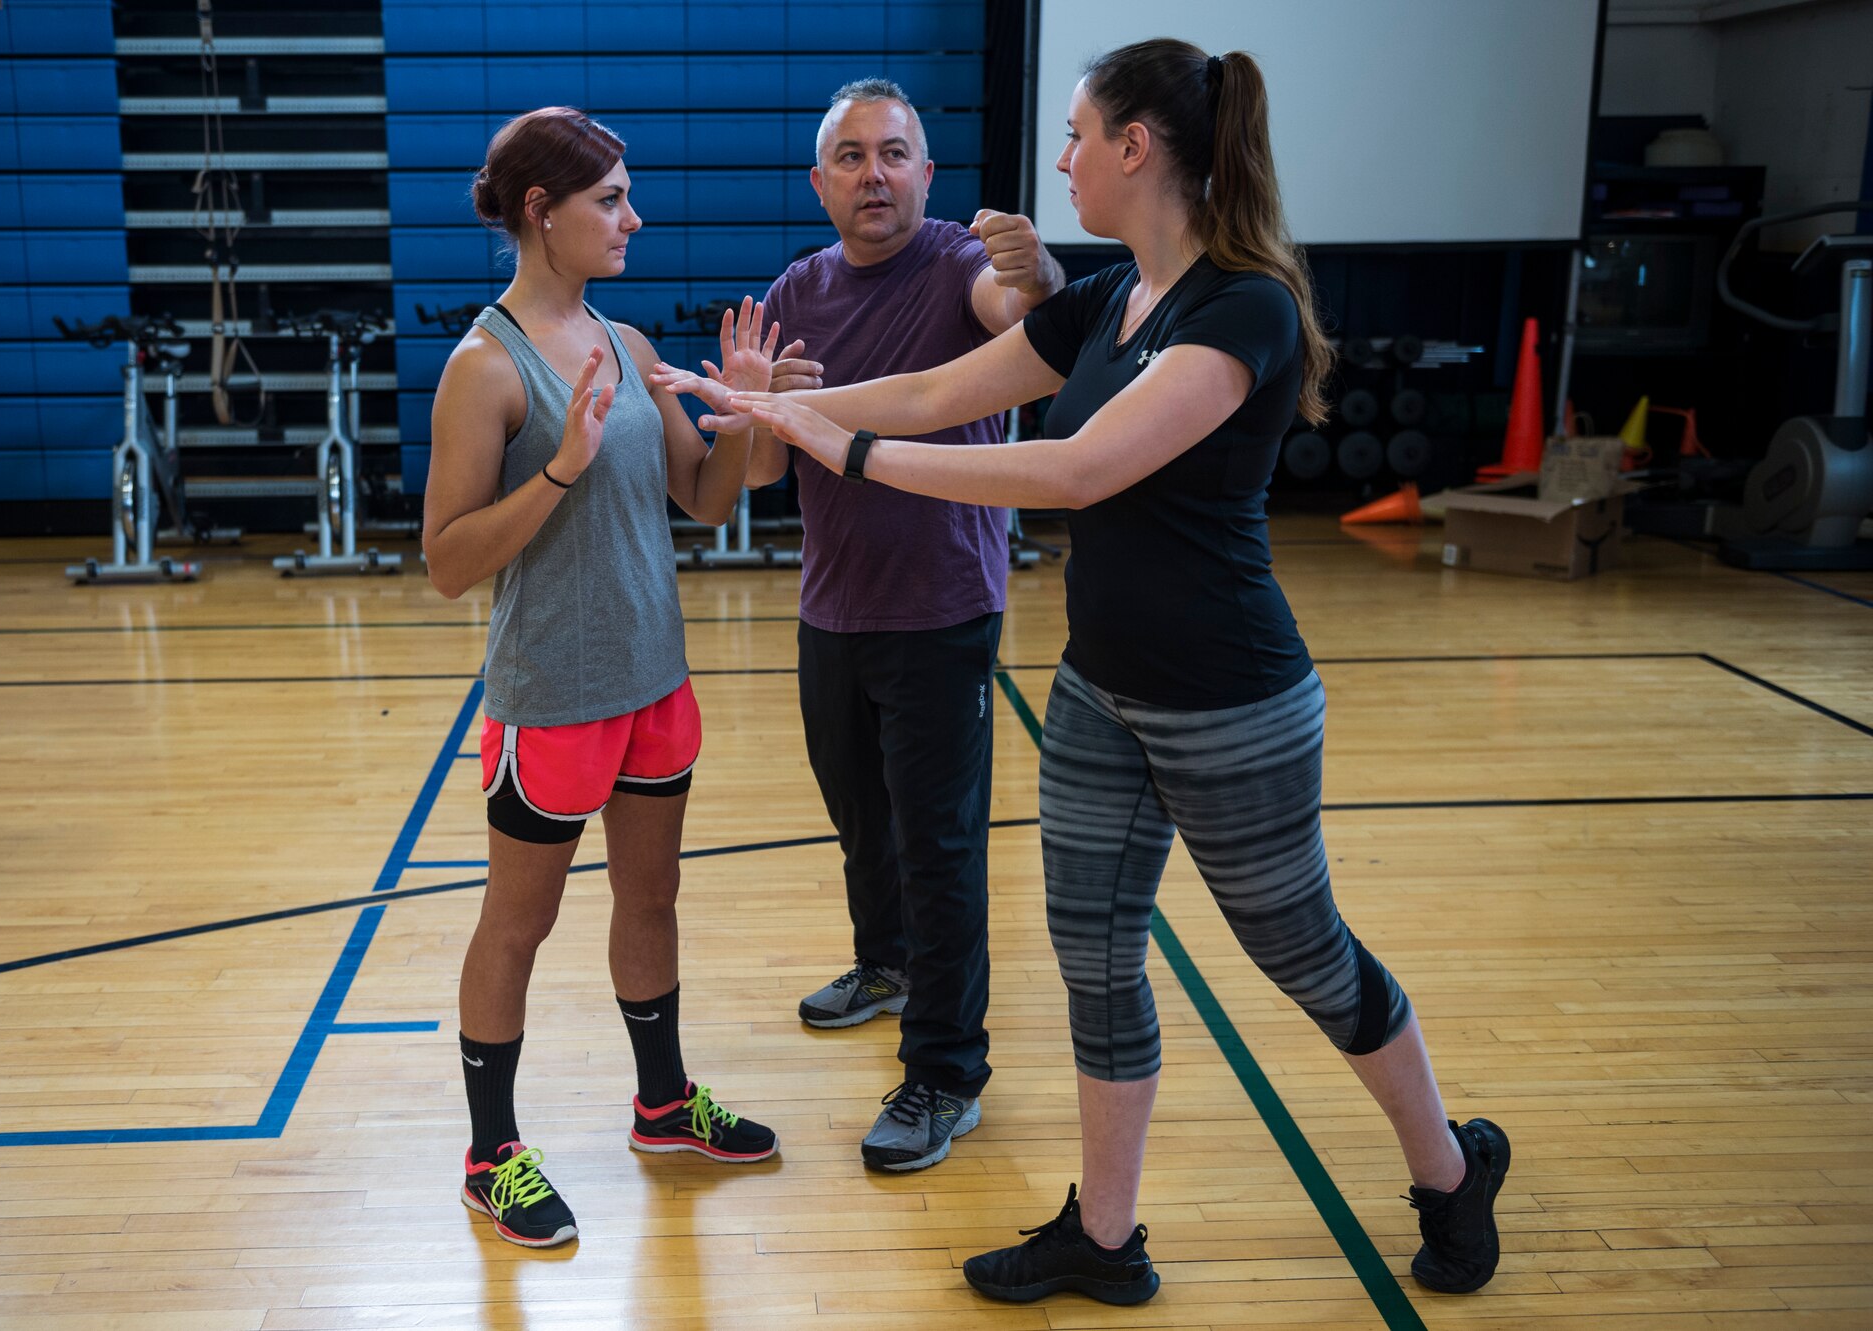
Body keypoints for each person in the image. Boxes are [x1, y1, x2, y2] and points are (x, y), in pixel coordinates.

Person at [708, 40, 1509, 1305]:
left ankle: (1448, 1168)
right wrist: (778, 410)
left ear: (1138, 147)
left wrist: (839, 446)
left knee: (1301, 952)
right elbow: (932, 389)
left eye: (1078, 134)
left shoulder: (1238, 306)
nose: (1063, 160)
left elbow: (1069, 471)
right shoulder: (1104, 300)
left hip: (1231, 699)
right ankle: (1106, 1231)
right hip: (1097, 691)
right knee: (1093, 958)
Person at [655, 78, 1064, 1173]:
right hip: (829, 606)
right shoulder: (798, 284)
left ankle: (945, 1070)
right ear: (819, 180)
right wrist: (751, 401)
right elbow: (772, 461)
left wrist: (1035, 273)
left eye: (893, 153)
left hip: (941, 610)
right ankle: (881, 964)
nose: (873, 173)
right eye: (850, 156)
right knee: (858, 816)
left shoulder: (958, 265)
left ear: (925, 174)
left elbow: (1015, 314)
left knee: (938, 849)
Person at [421, 107, 780, 1250]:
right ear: (541, 212)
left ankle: (663, 1104)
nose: (635, 217)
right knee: (517, 925)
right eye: (611, 199)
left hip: (653, 683)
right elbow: (444, 562)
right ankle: (491, 1152)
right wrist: (563, 470)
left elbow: (709, 499)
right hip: (553, 694)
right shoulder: (484, 368)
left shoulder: (625, 346)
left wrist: (748, 411)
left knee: (653, 898)